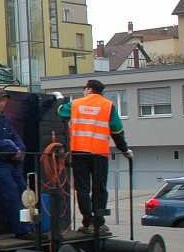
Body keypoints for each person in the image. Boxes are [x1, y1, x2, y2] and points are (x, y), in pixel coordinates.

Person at [56, 79, 133, 233]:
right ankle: (99, 222)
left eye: (85, 89)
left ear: (89, 89)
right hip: (99, 153)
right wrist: (124, 150)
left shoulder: (76, 104)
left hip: (79, 152)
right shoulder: (108, 106)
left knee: (82, 188)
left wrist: (59, 98)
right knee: (100, 188)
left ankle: (88, 223)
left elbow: (60, 111)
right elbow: (117, 131)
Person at [0, 88, 32, 237]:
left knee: (24, 192)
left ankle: (30, 226)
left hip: (11, 162)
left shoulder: (6, 119)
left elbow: (15, 137)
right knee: (11, 194)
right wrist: (13, 149)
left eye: (4, 100)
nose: (2, 103)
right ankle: (21, 229)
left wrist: (20, 149)